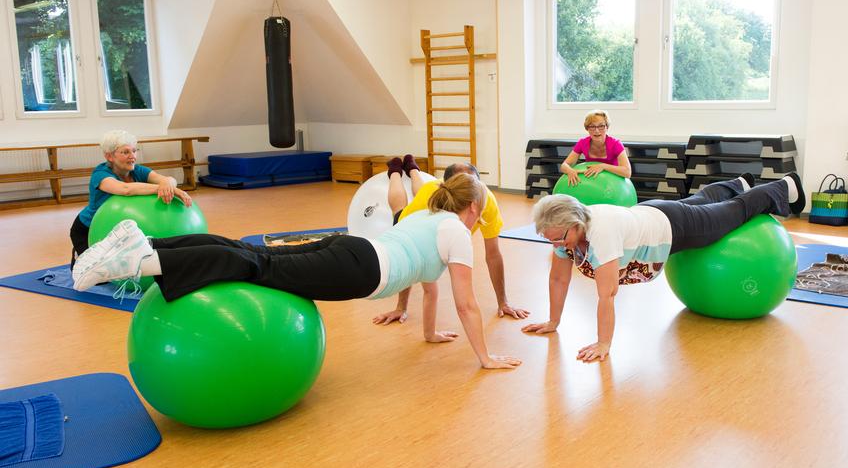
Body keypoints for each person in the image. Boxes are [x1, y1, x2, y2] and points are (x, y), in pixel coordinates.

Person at [72, 172, 521, 371]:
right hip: (360, 269)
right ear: (473, 208)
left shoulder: (427, 218)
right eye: (480, 213)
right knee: (253, 264)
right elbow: (465, 302)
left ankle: (148, 243)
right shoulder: (458, 233)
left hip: (352, 248)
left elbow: (428, 284)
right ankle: (140, 260)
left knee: (250, 254)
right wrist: (485, 358)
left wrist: (425, 333)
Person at [521, 173, 807, 363]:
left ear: (576, 224)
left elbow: (606, 294)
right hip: (653, 212)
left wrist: (603, 343)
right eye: (550, 239)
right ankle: (738, 181)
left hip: (675, 228)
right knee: (704, 202)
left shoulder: (601, 233)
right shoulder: (565, 233)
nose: (557, 244)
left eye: (559, 238)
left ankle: (784, 186)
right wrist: (553, 322)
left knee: (734, 212)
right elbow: (558, 279)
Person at [371, 155, 529, 337]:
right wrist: (401, 307)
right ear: (446, 188)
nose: (471, 196)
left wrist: (503, 302)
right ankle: (396, 171)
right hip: (410, 224)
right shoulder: (430, 195)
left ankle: (413, 168)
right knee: (398, 208)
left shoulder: (487, 202)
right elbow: (409, 253)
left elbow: (493, 255)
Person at [69, 130, 192, 268]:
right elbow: (125, 189)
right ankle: (79, 255)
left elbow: (168, 179)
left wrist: (168, 185)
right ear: (109, 156)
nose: (132, 156)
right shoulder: (100, 174)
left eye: (134, 151)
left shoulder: (137, 170)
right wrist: (162, 188)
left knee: (119, 270)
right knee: (95, 276)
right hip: (88, 228)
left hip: (118, 230)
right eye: (125, 152)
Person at [558, 110, 632, 186]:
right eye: (592, 126)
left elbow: (627, 172)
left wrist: (603, 166)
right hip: (592, 184)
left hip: (612, 185)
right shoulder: (582, 143)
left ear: (607, 127)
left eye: (601, 126)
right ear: (587, 128)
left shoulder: (616, 144)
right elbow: (564, 165)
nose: (596, 131)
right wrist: (570, 171)